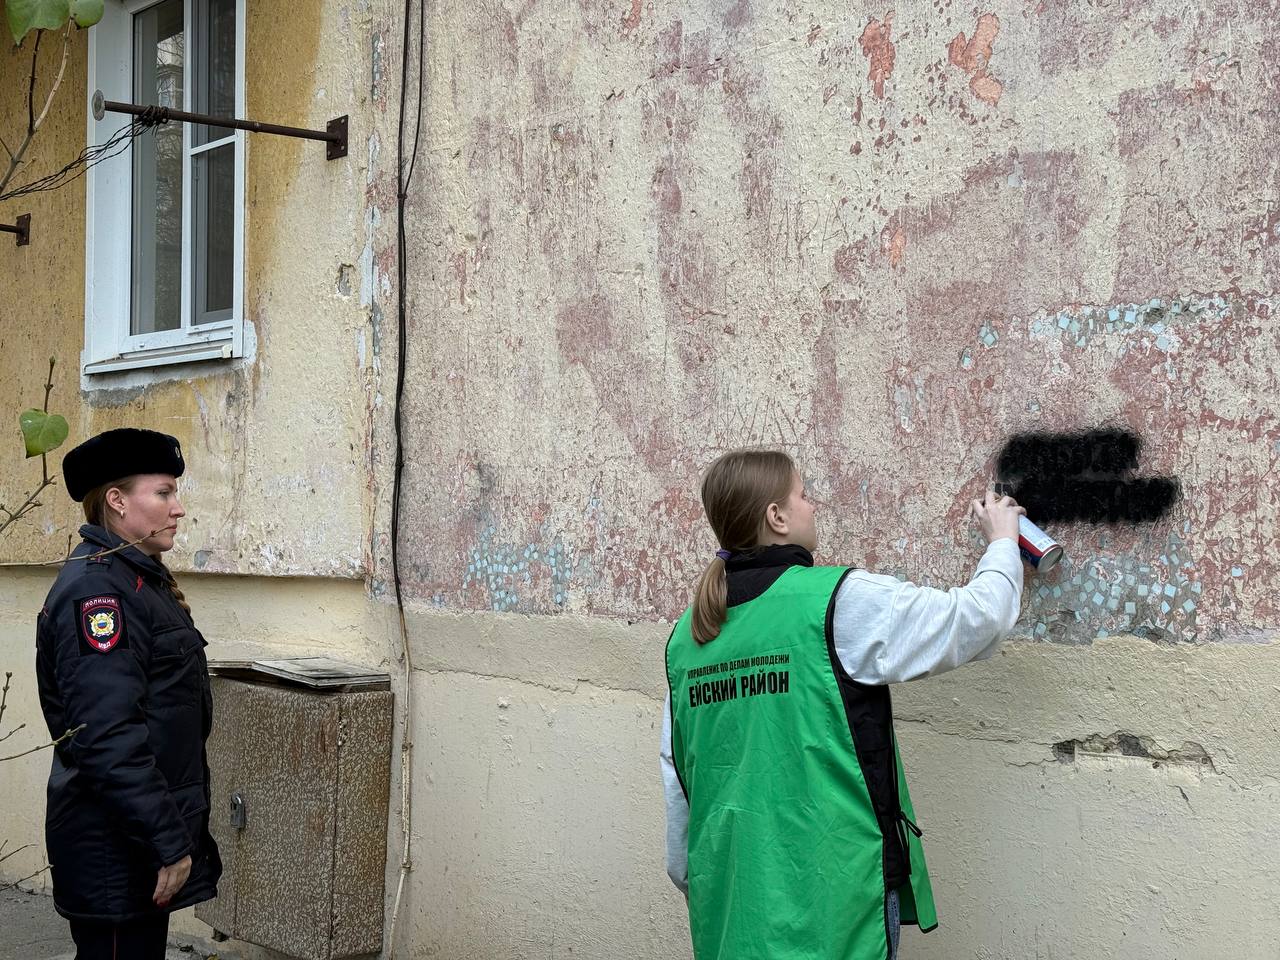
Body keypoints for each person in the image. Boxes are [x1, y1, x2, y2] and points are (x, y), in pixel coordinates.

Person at [661, 448, 1029, 960]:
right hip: (838, 914)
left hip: (732, 920)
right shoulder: (837, 603)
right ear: (777, 516)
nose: (814, 505)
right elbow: (975, 619)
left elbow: (680, 811)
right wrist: (1004, 542)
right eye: (803, 494)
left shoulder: (687, 639)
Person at [35, 428, 221, 960]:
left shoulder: (134, 580)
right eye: (163, 492)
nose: (178, 508)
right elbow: (108, 737)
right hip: (115, 852)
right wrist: (169, 842)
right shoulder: (100, 593)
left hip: (131, 848)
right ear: (117, 501)